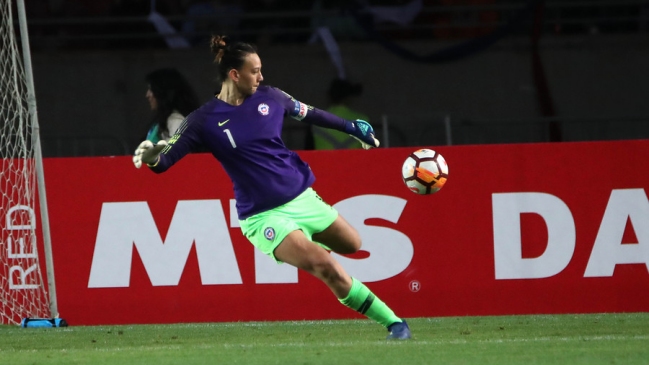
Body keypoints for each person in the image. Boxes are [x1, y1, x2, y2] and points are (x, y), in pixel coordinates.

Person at [132, 35, 411, 340]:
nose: (261, 77)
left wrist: (351, 126)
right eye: (255, 71)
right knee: (326, 266)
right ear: (234, 74)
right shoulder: (204, 120)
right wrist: (152, 156)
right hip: (264, 216)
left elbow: (311, 113)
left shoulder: (272, 97)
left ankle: (310, 242)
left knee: (353, 244)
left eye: (261, 69)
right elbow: (165, 160)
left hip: (303, 197)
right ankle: (395, 324)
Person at [144, 68, 201, 143]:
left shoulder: (176, 122)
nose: (147, 95)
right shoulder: (164, 121)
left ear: (163, 92)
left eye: (151, 89)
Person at [312, 78, 370, 150]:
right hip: (353, 161)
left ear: (330, 96)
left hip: (324, 161)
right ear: (349, 97)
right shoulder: (363, 120)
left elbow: (307, 151)